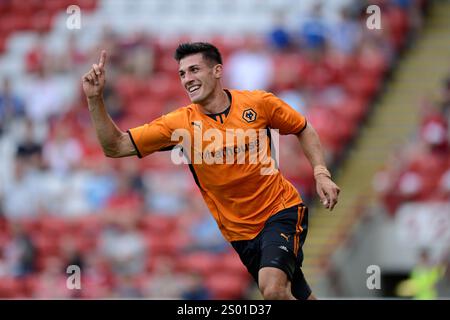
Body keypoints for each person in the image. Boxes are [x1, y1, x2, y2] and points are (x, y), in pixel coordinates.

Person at [82, 42, 340, 300]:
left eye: (194, 70)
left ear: (217, 71)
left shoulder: (258, 103)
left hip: (280, 210)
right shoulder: (179, 123)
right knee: (298, 294)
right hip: (239, 234)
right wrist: (95, 100)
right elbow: (115, 146)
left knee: (272, 290)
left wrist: (321, 173)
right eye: (182, 74)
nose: (187, 79)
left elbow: (302, 128)